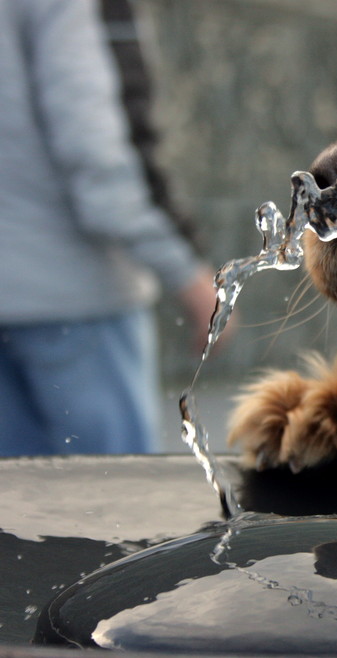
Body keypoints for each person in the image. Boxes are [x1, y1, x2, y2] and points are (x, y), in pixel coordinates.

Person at [0, 0, 217, 456]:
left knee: (14, 511)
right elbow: (96, 158)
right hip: (74, 297)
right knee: (109, 508)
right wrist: (187, 273)